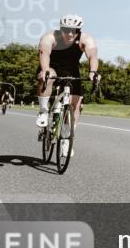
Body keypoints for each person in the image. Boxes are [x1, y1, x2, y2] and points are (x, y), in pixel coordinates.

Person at [36, 14, 100, 155]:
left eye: (74, 30)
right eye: (66, 30)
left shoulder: (86, 39)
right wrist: (45, 69)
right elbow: (44, 53)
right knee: (47, 76)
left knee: (76, 104)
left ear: (79, 30)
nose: (70, 33)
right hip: (51, 66)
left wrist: (93, 72)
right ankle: (43, 111)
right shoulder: (50, 37)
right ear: (61, 29)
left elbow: (92, 56)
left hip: (71, 70)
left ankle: (67, 137)